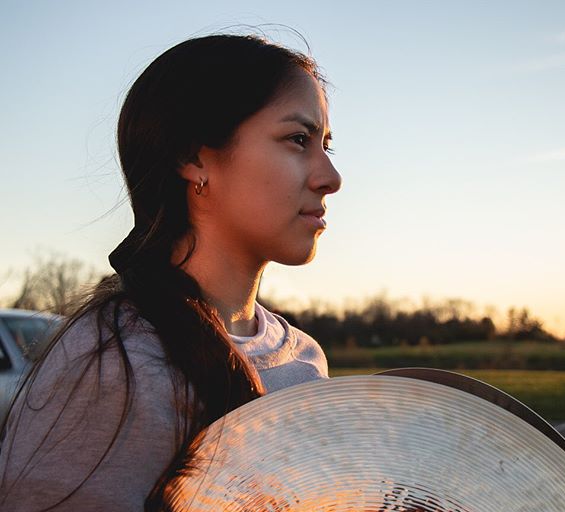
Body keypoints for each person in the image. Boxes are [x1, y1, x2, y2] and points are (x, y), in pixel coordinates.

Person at [0, 33, 341, 511]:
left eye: (326, 145)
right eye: (298, 140)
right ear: (193, 157)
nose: (331, 177)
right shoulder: (115, 364)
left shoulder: (303, 359)